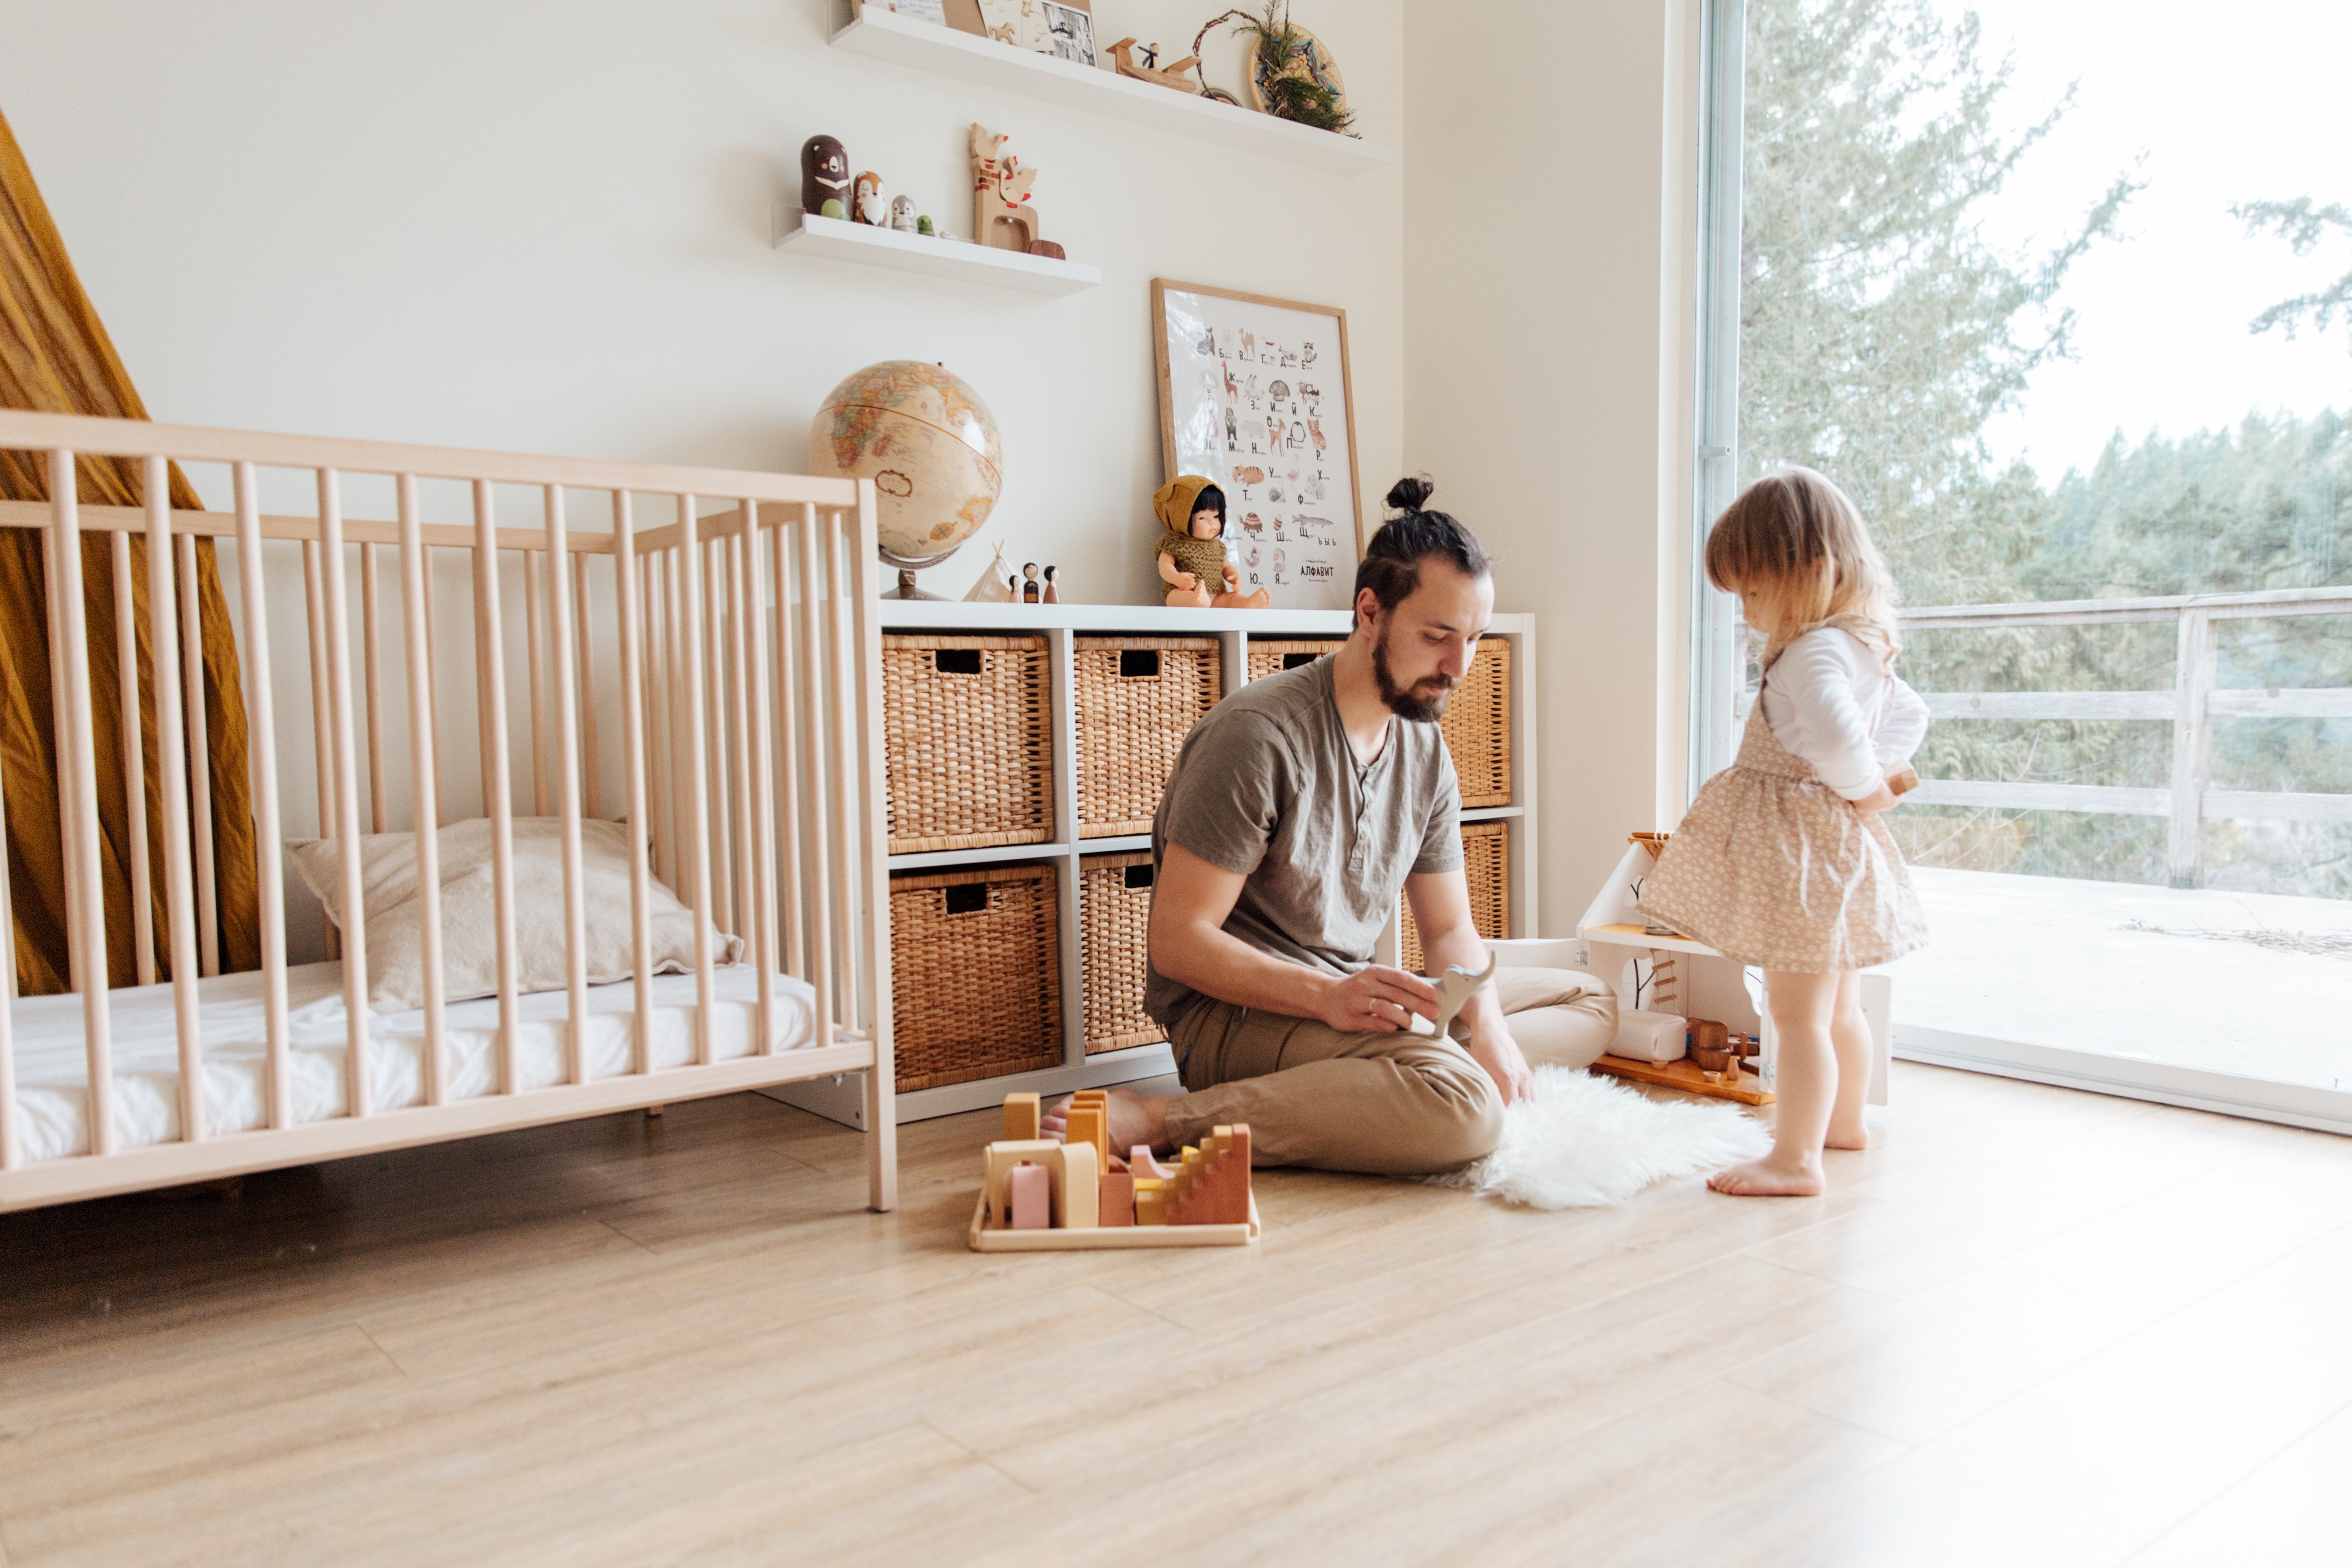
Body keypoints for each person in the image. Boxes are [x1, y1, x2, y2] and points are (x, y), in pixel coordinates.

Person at [1052, 477, 1616, 1175]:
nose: (1458, 667)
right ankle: (1167, 1118)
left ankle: (1406, 1073)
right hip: (1233, 1016)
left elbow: (1446, 931)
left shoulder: (1422, 746)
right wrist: (1328, 996)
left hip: (1346, 989)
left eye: (1473, 638)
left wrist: (1491, 1030)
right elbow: (1177, 944)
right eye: (1437, 637)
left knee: (1585, 997)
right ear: (1369, 613)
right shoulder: (1257, 738)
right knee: (1465, 1111)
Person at [1639, 467, 1930, 1197]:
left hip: (1800, 852)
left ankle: (1795, 1158)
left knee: (1792, 1014)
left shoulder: (1812, 652)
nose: (1745, 611)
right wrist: (1880, 779)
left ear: (1808, 570)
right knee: (1838, 1008)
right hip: (1835, 846)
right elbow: (1911, 715)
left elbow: (1833, 734)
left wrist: (1865, 782)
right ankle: (1841, 1125)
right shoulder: (1863, 644)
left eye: (1752, 591)